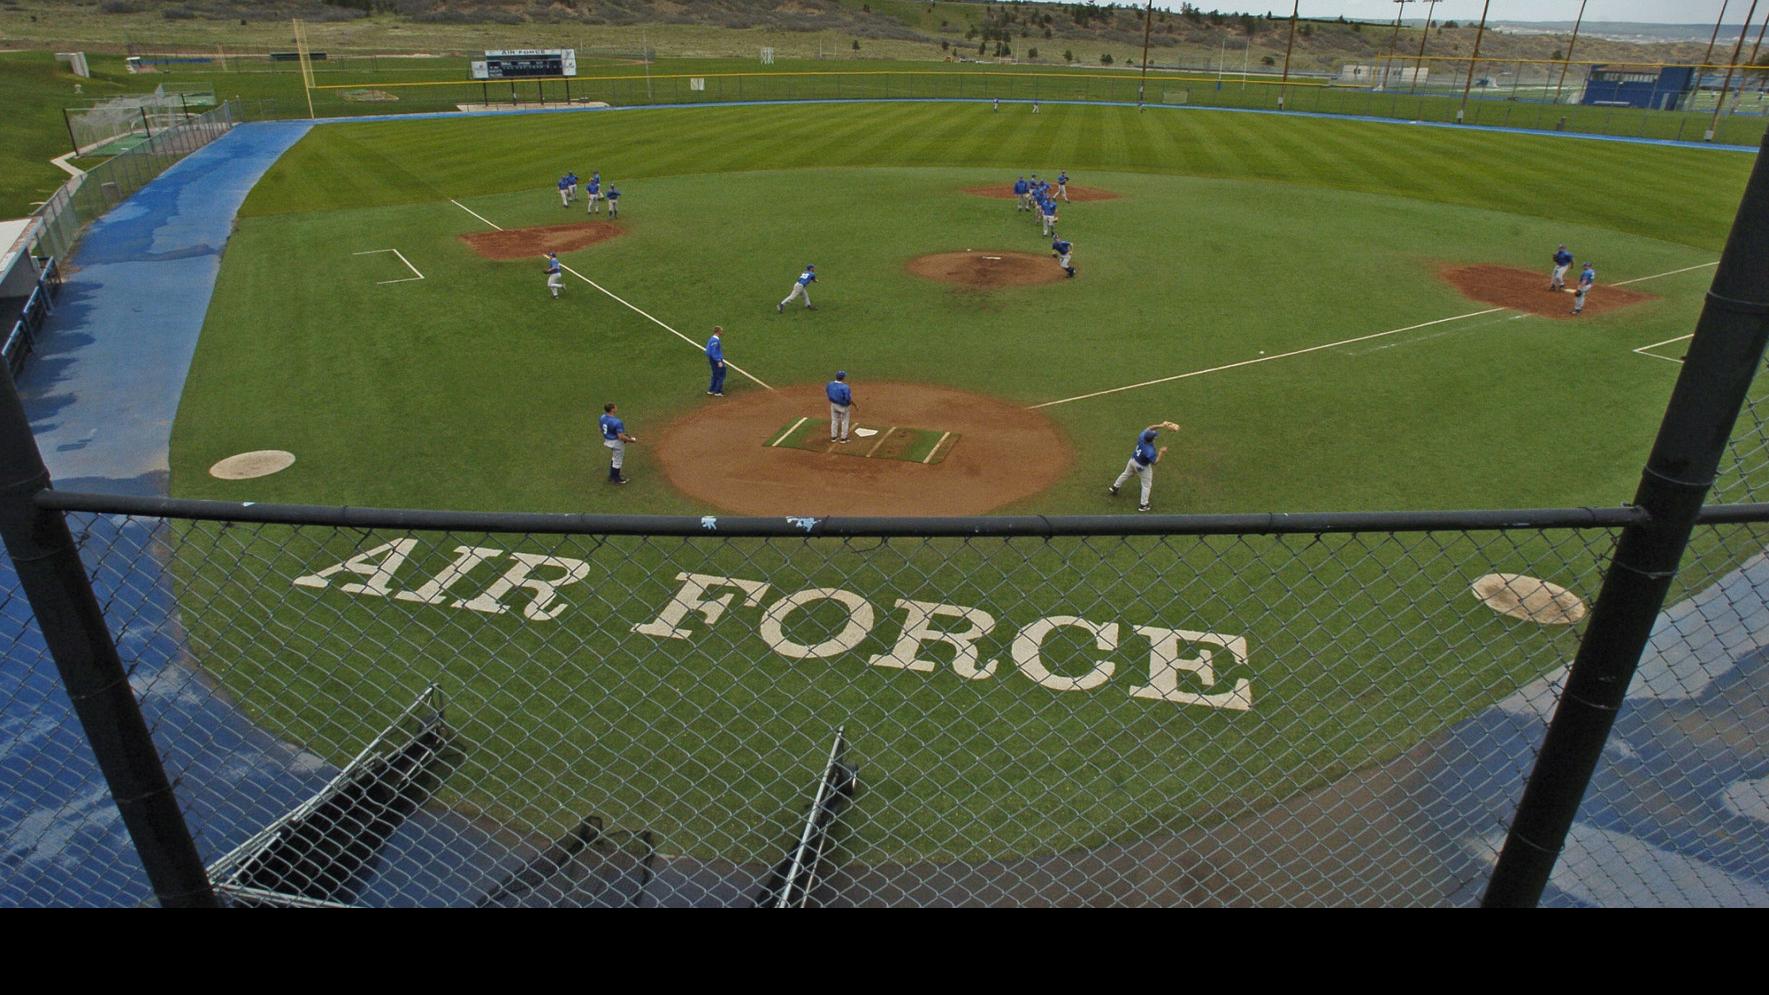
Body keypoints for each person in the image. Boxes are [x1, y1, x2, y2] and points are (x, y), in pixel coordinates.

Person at [1108, 421, 1180, 512]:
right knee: (1146, 485)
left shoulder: (1142, 436)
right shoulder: (1149, 450)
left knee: (1126, 474)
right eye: (1155, 436)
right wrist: (1161, 452)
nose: (1156, 436)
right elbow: (1155, 462)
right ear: (1152, 439)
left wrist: (1161, 425)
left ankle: (1115, 487)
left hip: (1133, 460)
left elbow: (1150, 427)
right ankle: (1143, 505)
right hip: (1141, 467)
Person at [598, 402, 637, 485]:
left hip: (607, 440)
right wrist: (631, 440)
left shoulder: (602, 417)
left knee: (614, 457)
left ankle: (611, 475)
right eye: (615, 407)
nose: (616, 407)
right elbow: (621, 437)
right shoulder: (617, 422)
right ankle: (616, 479)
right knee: (618, 461)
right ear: (612, 409)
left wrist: (609, 434)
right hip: (616, 443)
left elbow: (601, 429)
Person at [827, 370, 855, 444]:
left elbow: (828, 392)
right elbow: (847, 398)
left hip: (833, 405)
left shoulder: (830, 384)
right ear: (843, 378)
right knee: (845, 421)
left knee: (834, 420)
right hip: (843, 406)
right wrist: (850, 403)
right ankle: (843, 439)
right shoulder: (845, 387)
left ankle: (833, 437)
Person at [706, 325, 727, 396]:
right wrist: (718, 361)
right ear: (718, 331)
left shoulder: (711, 339)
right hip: (716, 359)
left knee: (715, 374)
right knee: (721, 374)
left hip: (712, 359)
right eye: (721, 331)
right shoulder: (715, 340)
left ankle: (711, 390)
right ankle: (718, 391)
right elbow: (713, 351)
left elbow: (708, 351)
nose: (722, 332)